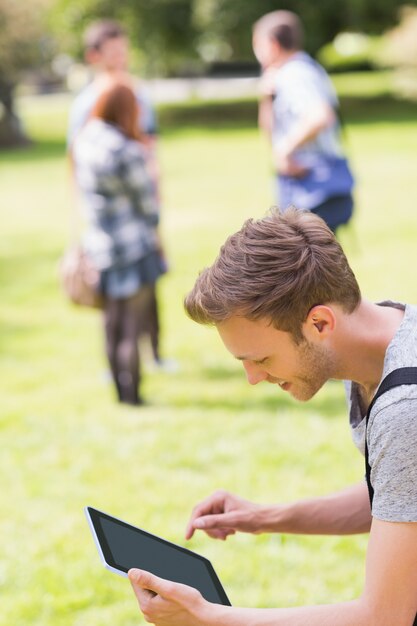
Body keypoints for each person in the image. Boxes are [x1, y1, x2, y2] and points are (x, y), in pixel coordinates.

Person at [128, 208, 417, 624]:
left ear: (319, 323)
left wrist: (209, 618)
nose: (253, 377)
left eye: (261, 357)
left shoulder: (405, 406)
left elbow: (384, 617)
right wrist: (264, 517)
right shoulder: (384, 341)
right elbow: (397, 494)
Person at [68, 19, 168, 370]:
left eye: (124, 51)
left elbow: (151, 154)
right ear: (94, 56)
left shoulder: (138, 93)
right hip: (112, 220)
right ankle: (126, 368)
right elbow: (74, 167)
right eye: (113, 53)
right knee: (115, 302)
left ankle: (153, 354)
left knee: (146, 292)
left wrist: (156, 210)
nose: (120, 59)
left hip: (137, 211)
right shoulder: (84, 105)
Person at [72, 81, 164, 405]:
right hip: (132, 246)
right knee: (131, 326)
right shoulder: (125, 149)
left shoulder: (84, 140)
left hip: (100, 246)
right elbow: (147, 204)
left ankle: (118, 394)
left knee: (110, 325)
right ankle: (134, 396)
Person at [253, 11, 355, 234]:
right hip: (307, 186)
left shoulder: (295, 73)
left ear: (272, 44)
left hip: (315, 186)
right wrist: (266, 98)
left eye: (257, 45)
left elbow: (320, 116)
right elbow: (269, 133)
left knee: (309, 262)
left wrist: (285, 150)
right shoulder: (297, 71)